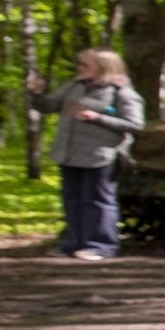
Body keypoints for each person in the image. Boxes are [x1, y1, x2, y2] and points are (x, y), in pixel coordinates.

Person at [27, 49, 145, 261]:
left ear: (102, 67)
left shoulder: (121, 92)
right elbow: (48, 106)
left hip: (100, 155)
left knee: (98, 201)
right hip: (69, 153)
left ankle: (100, 246)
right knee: (72, 199)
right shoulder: (75, 86)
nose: (79, 68)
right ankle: (71, 244)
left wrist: (98, 118)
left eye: (85, 65)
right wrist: (36, 93)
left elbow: (135, 125)